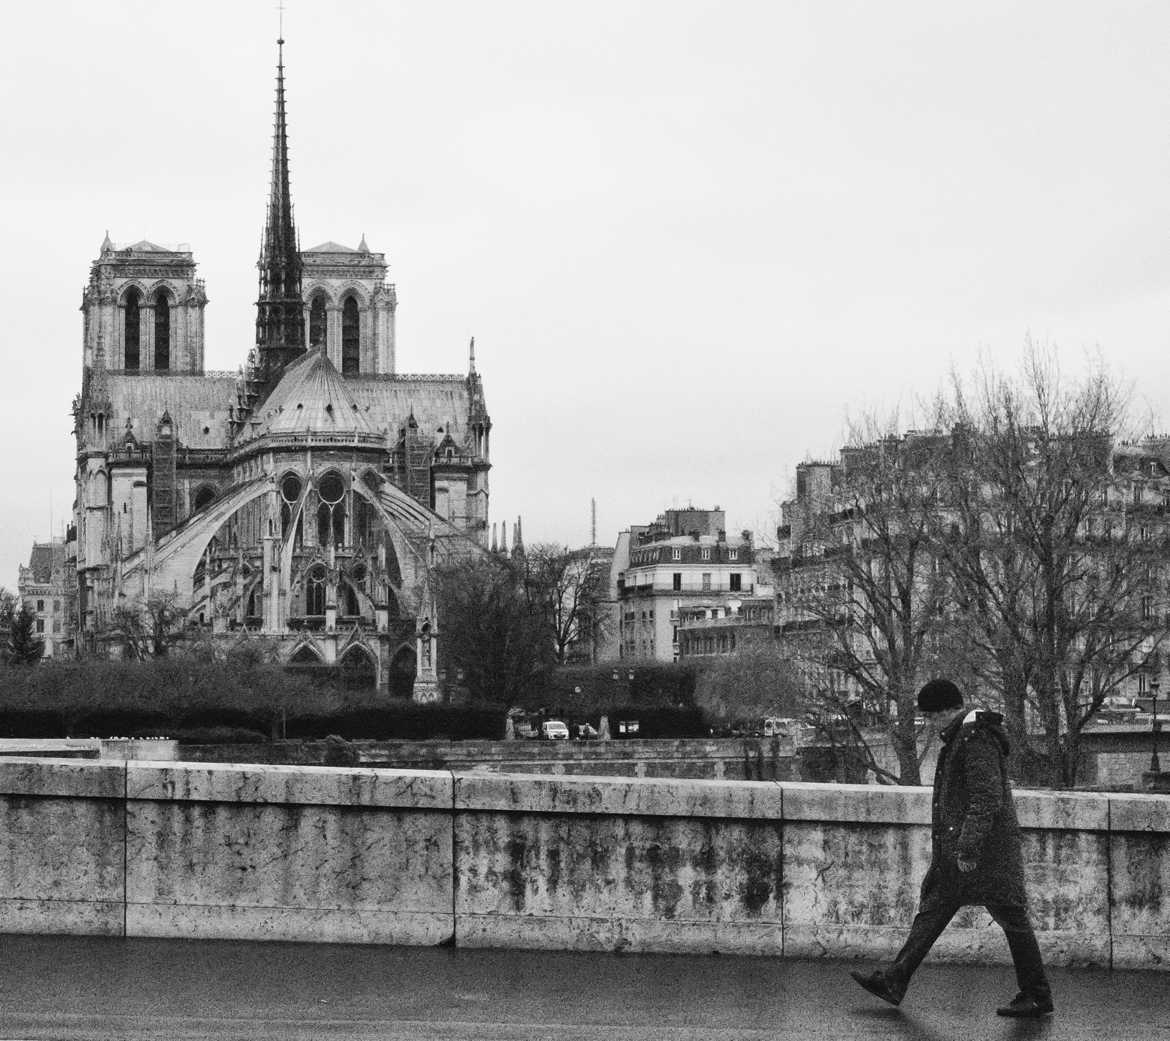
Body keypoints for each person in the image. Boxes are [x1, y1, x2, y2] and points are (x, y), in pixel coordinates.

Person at [850, 678, 1053, 1019]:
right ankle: (894, 980)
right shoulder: (964, 735)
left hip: (984, 852)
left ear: (947, 711)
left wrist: (969, 848)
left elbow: (986, 798)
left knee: (1012, 917)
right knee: (934, 909)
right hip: (963, 848)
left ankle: (1036, 994)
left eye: (930, 717)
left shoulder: (975, 738)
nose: (928, 725)